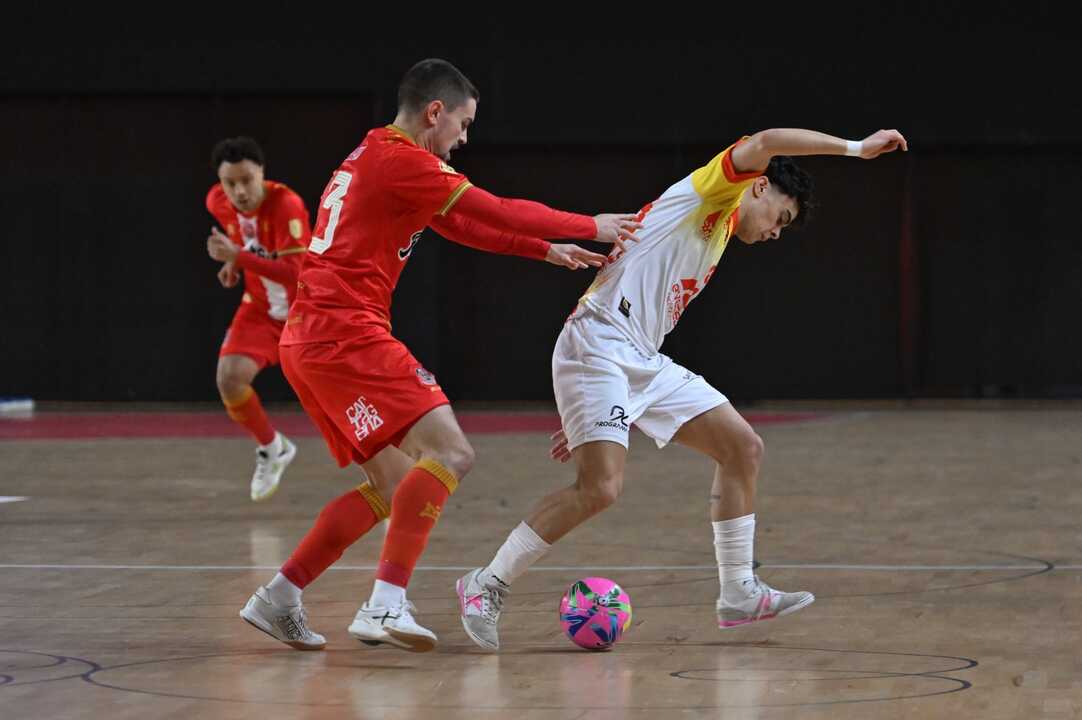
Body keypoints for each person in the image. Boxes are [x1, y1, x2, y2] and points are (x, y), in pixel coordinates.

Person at [238, 58, 641, 652]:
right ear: (435, 112)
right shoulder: (404, 160)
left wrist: (545, 250)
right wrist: (593, 225)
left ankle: (279, 596)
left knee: (393, 483)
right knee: (451, 452)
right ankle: (384, 605)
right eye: (464, 123)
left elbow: (463, 226)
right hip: (345, 334)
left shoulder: (375, 153)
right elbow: (494, 208)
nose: (464, 138)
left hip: (310, 338)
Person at [456, 126, 908, 650]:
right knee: (600, 488)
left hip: (638, 359)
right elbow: (767, 140)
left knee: (742, 447)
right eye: (780, 218)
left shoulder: (716, 232)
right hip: (599, 341)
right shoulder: (714, 191)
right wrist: (856, 149)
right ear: (759, 185)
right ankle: (486, 583)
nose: (775, 233)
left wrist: (603, 407)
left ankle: (739, 592)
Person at [205, 137, 310, 501]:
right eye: (230, 183)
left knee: (337, 406)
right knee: (229, 379)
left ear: (262, 173)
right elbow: (247, 243)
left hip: (307, 314)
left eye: (247, 180)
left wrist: (238, 257)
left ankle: (390, 471)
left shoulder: (285, 206)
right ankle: (272, 447)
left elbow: (297, 273)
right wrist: (235, 265)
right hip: (261, 310)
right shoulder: (218, 202)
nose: (239, 191)